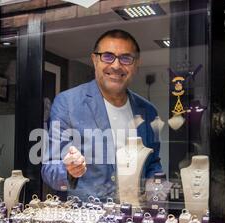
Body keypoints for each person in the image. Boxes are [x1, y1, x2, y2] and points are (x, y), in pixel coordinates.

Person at [42, 29, 162, 202]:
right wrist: (68, 170)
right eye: (107, 56)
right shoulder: (67, 103)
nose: (116, 65)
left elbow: (153, 163)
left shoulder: (149, 111)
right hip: (87, 222)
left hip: (136, 218)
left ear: (136, 64)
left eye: (126, 58)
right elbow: (49, 169)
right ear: (94, 60)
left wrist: (157, 188)